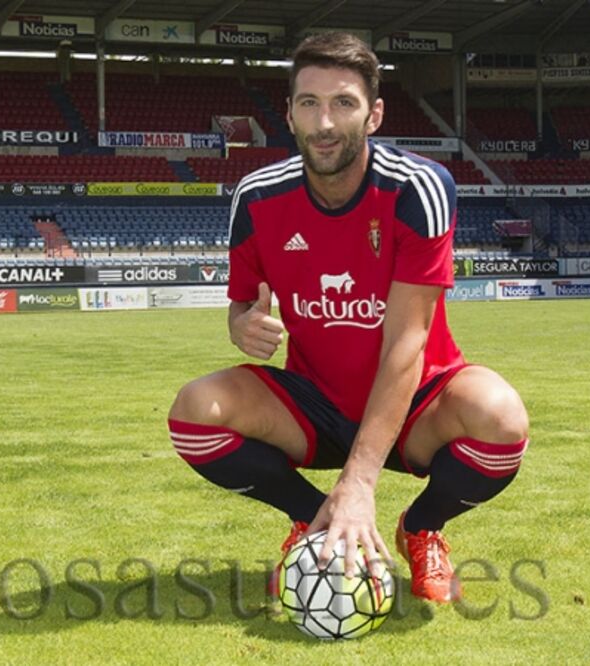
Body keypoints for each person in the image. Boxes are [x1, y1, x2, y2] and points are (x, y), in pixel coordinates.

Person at [167, 32, 529, 604]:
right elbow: (241, 304)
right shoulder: (257, 196)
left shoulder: (419, 188)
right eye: (308, 103)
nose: (324, 122)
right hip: (315, 402)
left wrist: (360, 482)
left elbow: (407, 341)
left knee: (501, 417)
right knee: (194, 411)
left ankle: (421, 528)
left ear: (375, 114)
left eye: (343, 103)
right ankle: (315, 523)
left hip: (415, 401)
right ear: (288, 113)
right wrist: (241, 325)